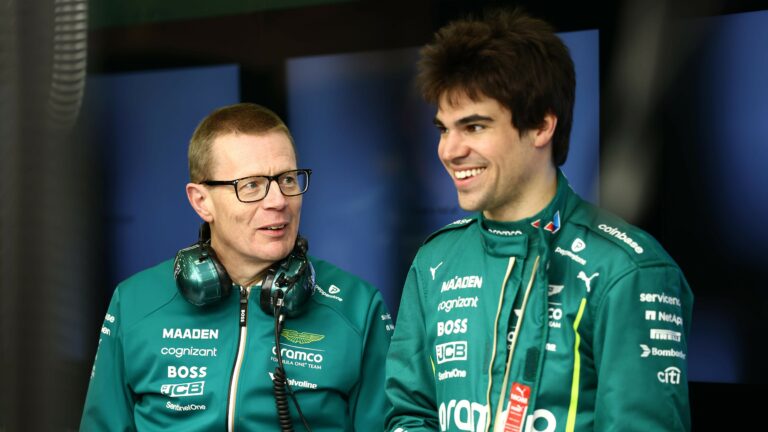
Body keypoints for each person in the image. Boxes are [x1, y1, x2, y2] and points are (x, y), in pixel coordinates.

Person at [385, 9, 692, 432]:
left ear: (542, 125)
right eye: (443, 129)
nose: (449, 150)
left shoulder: (626, 270)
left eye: (474, 127)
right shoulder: (435, 262)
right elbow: (408, 413)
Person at [81, 103, 393, 431]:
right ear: (201, 201)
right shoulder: (134, 302)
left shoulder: (358, 306)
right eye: (252, 185)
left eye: (287, 179)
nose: (278, 201)